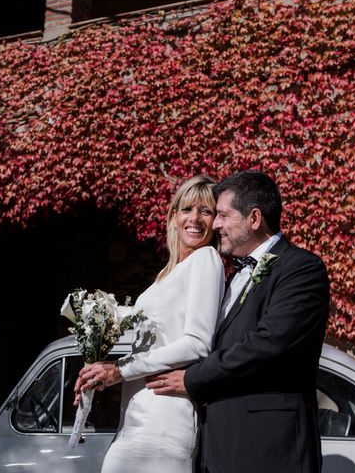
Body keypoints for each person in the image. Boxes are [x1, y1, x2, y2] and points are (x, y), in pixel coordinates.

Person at [147, 170, 330, 473]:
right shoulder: (232, 276)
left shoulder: (301, 268)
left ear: (254, 218)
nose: (214, 225)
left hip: (269, 449)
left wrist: (193, 378)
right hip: (217, 449)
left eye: (222, 215)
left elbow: (269, 344)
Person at [75, 175, 225, 473]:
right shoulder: (166, 275)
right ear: (173, 216)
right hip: (135, 416)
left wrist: (119, 370)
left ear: (215, 221)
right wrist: (98, 371)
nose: (195, 218)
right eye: (187, 209)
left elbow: (198, 343)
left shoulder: (206, 259)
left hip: (164, 420)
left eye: (206, 211)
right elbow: (152, 343)